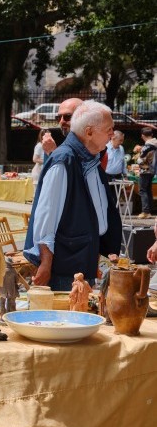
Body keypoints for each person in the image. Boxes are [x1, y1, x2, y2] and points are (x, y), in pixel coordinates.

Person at [23, 101, 122, 291]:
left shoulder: (89, 158)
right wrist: (45, 263)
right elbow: (46, 217)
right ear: (89, 132)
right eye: (109, 129)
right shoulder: (64, 160)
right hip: (65, 269)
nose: (112, 134)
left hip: (83, 261)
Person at [134, 127, 157, 219]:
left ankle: (145, 212)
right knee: (148, 190)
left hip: (145, 170)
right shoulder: (155, 143)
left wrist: (138, 155)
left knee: (142, 190)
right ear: (151, 135)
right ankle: (149, 210)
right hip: (152, 170)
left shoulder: (147, 146)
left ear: (143, 136)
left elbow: (141, 160)